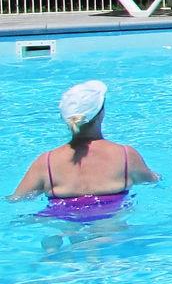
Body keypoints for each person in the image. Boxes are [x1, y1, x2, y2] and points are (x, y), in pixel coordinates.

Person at [9, 80, 159, 222]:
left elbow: (16, 199)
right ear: (101, 114)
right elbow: (152, 181)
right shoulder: (125, 155)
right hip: (110, 215)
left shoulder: (46, 161)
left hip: (61, 216)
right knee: (110, 228)